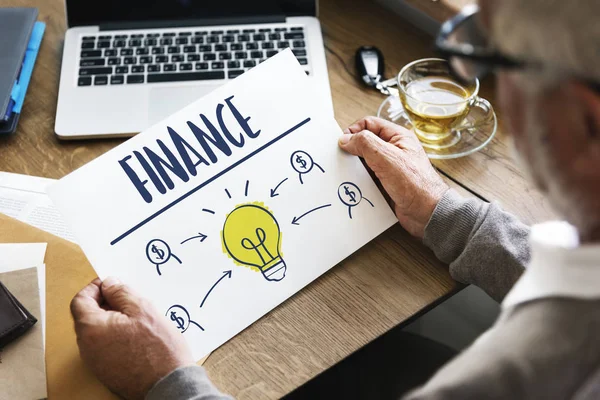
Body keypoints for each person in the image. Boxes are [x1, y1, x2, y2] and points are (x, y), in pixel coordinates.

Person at [69, 0, 600, 398]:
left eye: (491, 61)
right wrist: (448, 215)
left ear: (586, 120)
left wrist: (167, 380)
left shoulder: (536, 366)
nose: (496, 92)